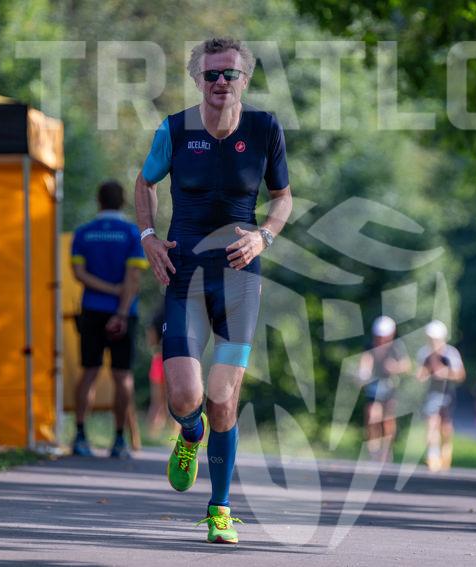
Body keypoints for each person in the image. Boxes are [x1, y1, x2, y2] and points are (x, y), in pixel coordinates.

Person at [134, 38, 293, 544]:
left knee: (223, 397)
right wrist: (148, 236)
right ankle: (190, 432)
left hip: (240, 279)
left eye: (230, 73)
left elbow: (283, 197)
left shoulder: (265, 128)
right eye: (211, 74)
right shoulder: (175, 129)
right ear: (197, 79)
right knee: (186, 396)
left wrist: (264, 236)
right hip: (184, 274)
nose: (221, 82)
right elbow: (144, 183)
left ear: (245, 77)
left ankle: (219, 508)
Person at [70, 180, 147, 459]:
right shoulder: (132, 233)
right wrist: (121, 311)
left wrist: (107, 290)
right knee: (122, 375)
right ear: (123, 201)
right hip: (125, 312)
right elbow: (134, 277)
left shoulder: (83, 233)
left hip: (91, 309)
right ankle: (119, 440)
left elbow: (79, 274)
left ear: (98, 201)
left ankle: (80, 436)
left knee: (89, 371)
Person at [356, 316, 411, 462]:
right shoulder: (370, 347)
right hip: (374, 387)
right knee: (372, 416)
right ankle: (373, 450)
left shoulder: (396, 347)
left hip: (390, 386)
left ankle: (386, 451)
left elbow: (406, 365)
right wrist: (363, 374)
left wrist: (395, 367)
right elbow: (365, 362)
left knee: (387, 420)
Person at [416, 320, 466, 472]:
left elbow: (461, 375)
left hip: (447, 394)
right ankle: (433, 455)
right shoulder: (424, 353)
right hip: (432, 394)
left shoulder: (451, 354)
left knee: (446, 427)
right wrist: (423, 375)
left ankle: (446, 453)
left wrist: (446, 373)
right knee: (432, 422)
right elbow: (420, 374)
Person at [145, 305, 172, 437]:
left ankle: (152, 435)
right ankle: (174, 435)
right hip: (174, 361)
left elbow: (151, 342)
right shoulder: (180, 312)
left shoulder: (157, 315)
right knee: (174, 402)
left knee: (156, 403)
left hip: (158, 359)